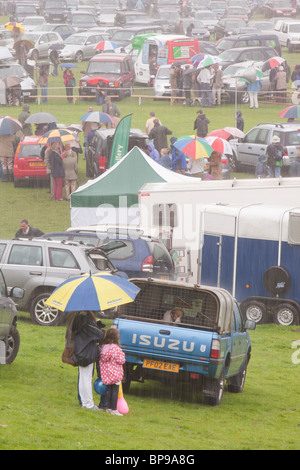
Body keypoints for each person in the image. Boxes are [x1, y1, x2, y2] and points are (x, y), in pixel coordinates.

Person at [72, 311, 104, 411]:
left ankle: (84, 402)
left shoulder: (77, 319)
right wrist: (97, 325)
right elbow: (100, 335)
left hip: (79, 352)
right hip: (87, 353)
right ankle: (89, 404)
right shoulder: (87, 321)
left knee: (82, 377)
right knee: (87, 378)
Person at [99, 328, 125, 416]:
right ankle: (113, 408)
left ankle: (108, 407)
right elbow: (121, 360)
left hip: (107, 374)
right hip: (116, 374)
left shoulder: (104, 348)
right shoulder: (116, 349)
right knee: (115, 391)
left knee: (109, 390)